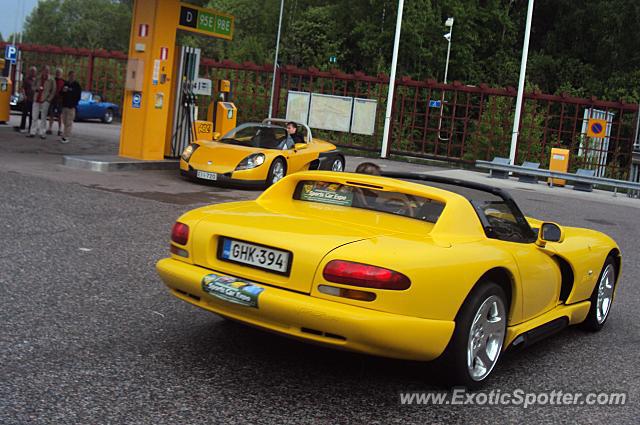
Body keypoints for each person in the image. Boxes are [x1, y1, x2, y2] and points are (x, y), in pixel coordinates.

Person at [28, 66, 55, 139]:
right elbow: (33, 86)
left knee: (43, 117)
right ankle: (32, 132)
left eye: (48, 71)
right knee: (34, 116)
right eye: (45, 70)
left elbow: (53, 91)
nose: (46, 72)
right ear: (42, 71)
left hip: (45, 100)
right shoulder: (38, 78)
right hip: (36, 99)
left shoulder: (51, 80)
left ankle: (42, 132)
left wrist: (48, 99)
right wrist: (36, 89)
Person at [60, 70, 82, 144]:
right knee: (64, 121)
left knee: (69, 122)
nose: (72, 77)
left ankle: (66, 136)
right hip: (64, 105)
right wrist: (63, 91)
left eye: (73, 76)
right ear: (68, 76)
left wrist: (74, 103)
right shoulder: (65, 84)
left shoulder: (77, 85)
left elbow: (78, 96)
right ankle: (64, 134)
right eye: (71, 76)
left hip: (71, 106)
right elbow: (61, 93)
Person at [15, 66, 37, 133]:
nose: (33, 72)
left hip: (34, 99)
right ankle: (22, 126)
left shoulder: (36, 80)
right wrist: (24, 95)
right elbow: (23, 88)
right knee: (24, 113)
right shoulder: (26, 79)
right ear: (30, 72)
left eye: (34, 71)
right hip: (27, 98)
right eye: (32, 71)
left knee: (32, 115)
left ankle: (31, 127)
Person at [47, 68, 65, 136]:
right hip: (53, 99)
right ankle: (50, 128)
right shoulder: (52, 80)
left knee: (59, 115)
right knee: (51, 114)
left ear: (61, 74)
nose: (58, 74)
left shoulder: (63, 82)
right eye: (57, 72)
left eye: (59, 73)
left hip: (60, 100)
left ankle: (60, 129)